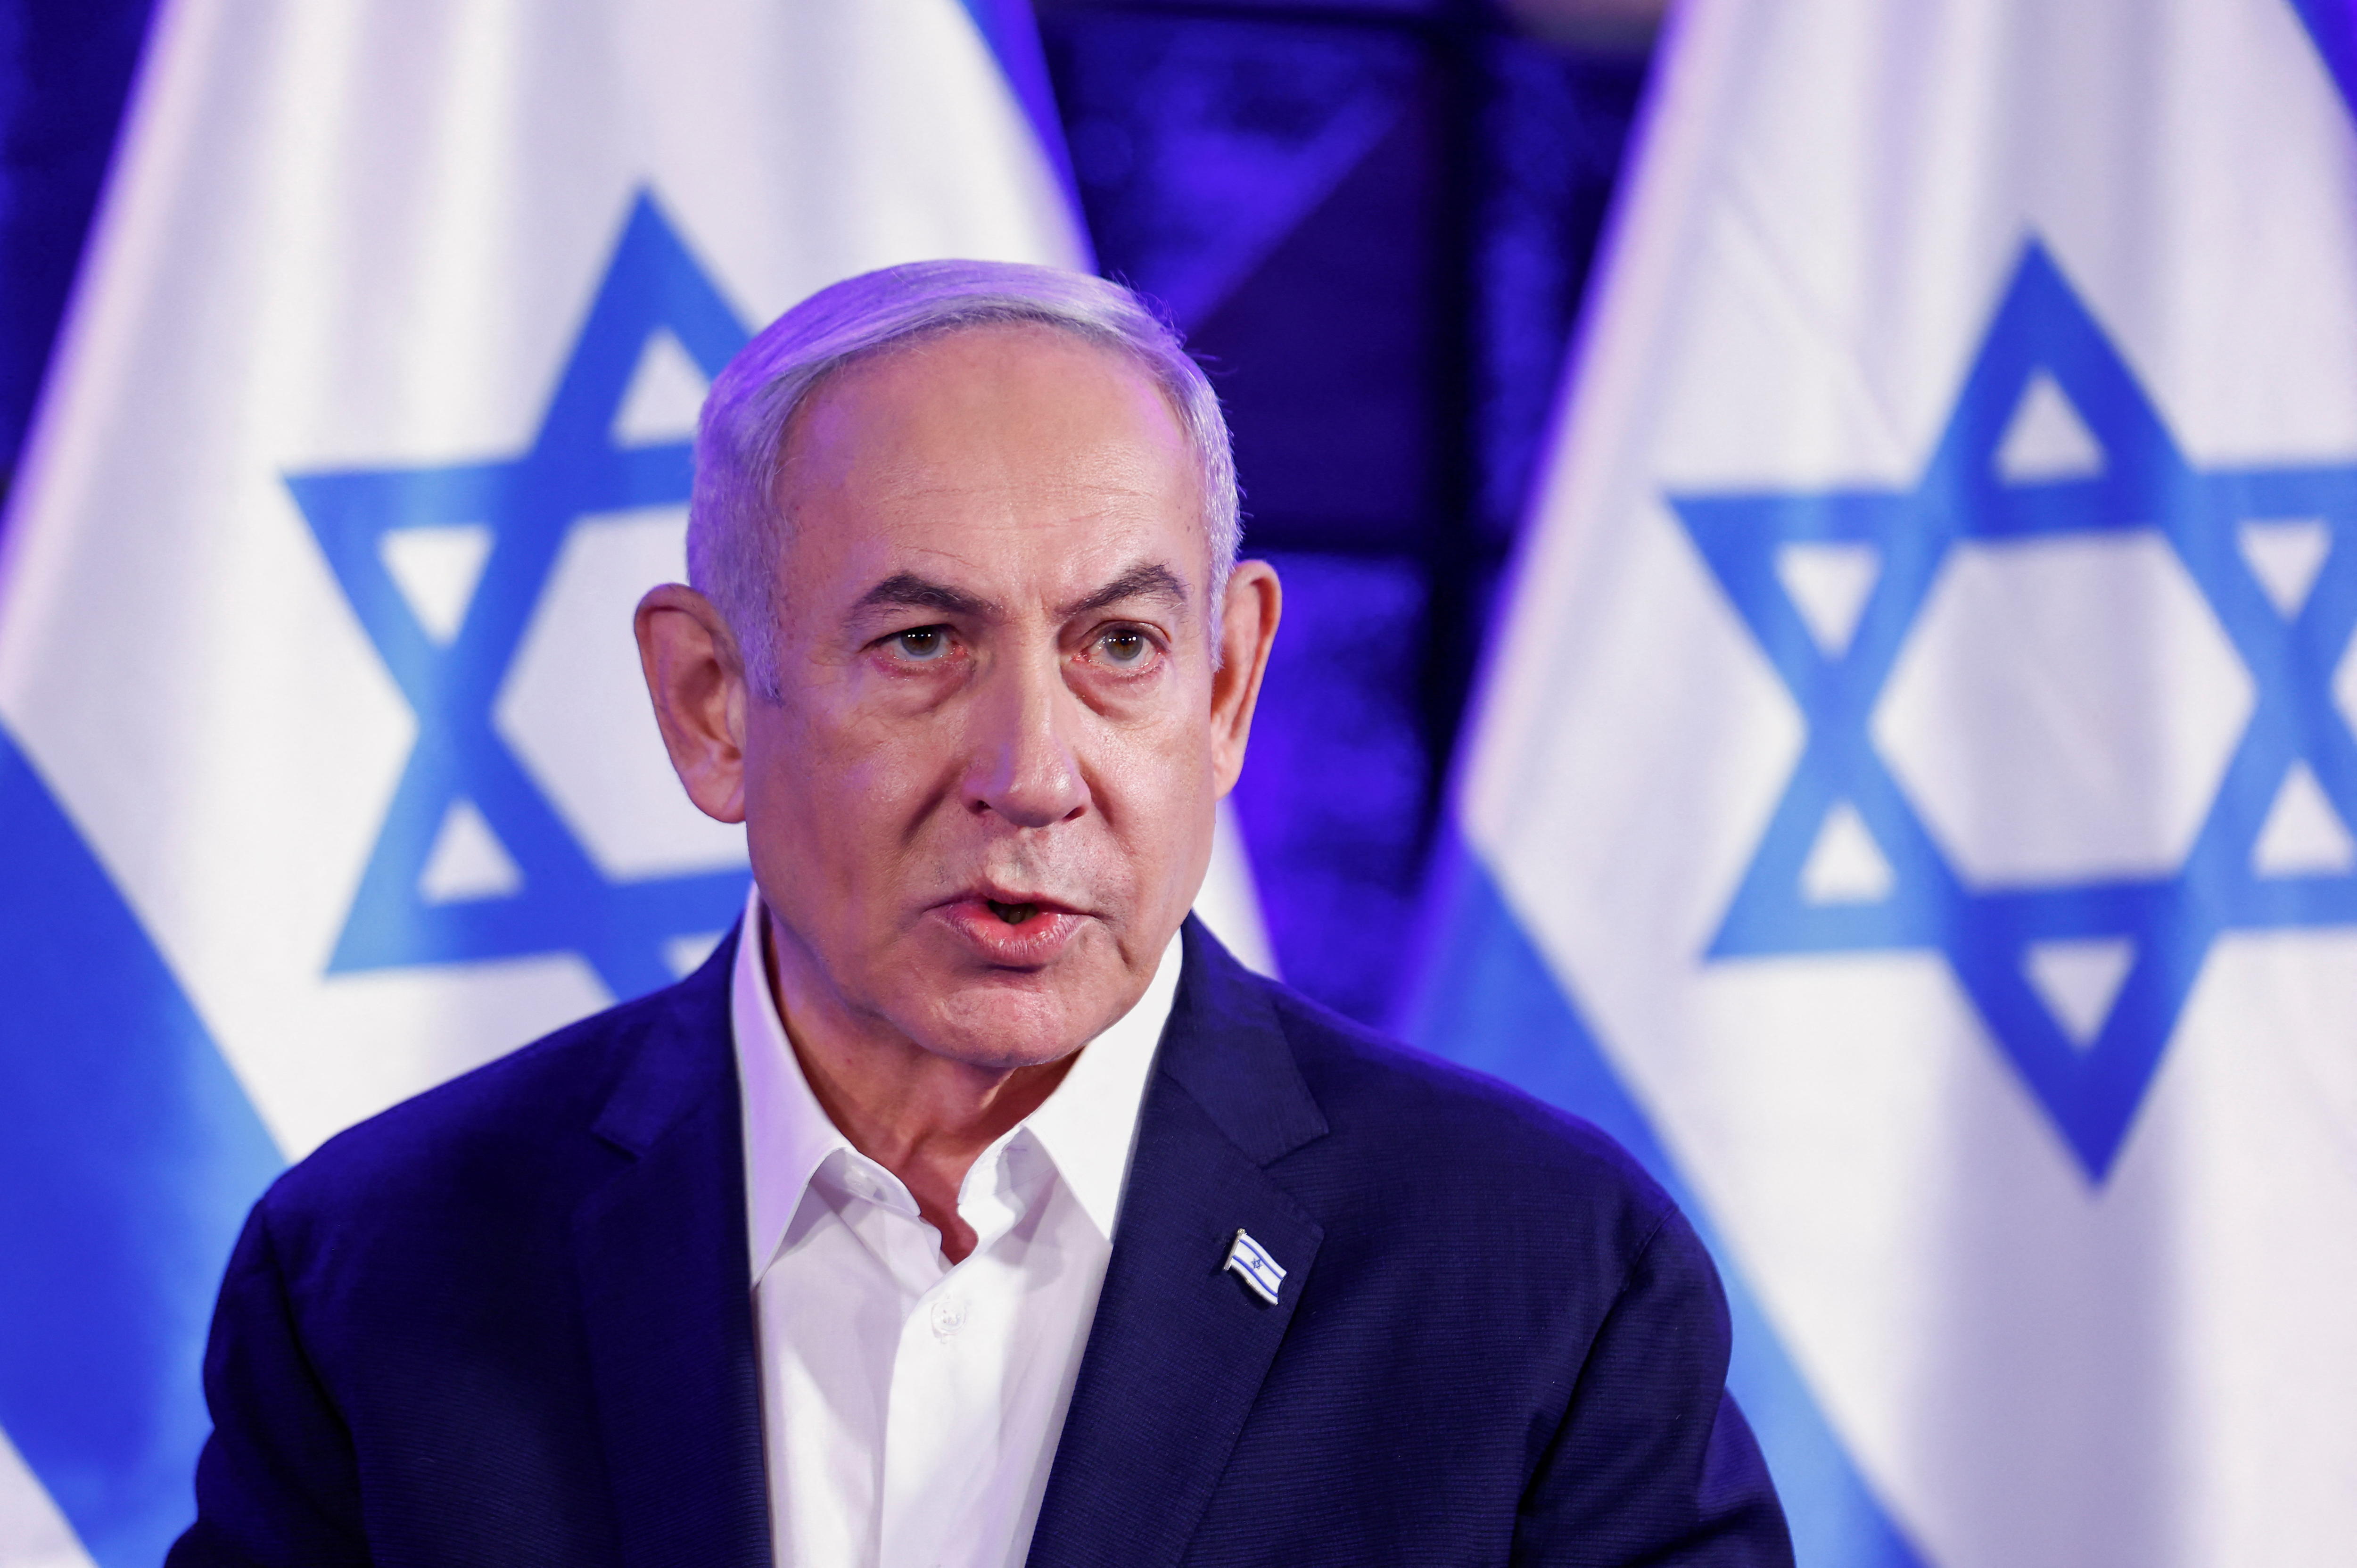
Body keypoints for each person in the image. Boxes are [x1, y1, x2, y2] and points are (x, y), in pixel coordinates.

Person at [169, 261, 1792, 1567]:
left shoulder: (1546, 1283)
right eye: (924, 644)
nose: (1031, 775)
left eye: (1121, 648)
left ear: (1227, 686)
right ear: (712, 703)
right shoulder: (378, 1279)